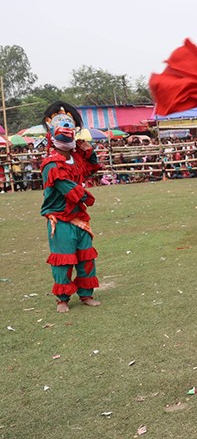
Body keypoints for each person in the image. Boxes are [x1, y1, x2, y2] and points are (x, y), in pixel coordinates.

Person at [39, 102, 102, 313]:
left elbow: (90, 169)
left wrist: (89, 151)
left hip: (79, 217)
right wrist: (86, 196)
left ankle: (86, 295)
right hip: (60, 219)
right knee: (63, 261)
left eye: (69, 122)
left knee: (86, 257)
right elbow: (68, 187)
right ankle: (62, 299)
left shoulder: (76, 158)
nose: (66, 125)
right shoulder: (51, 163)